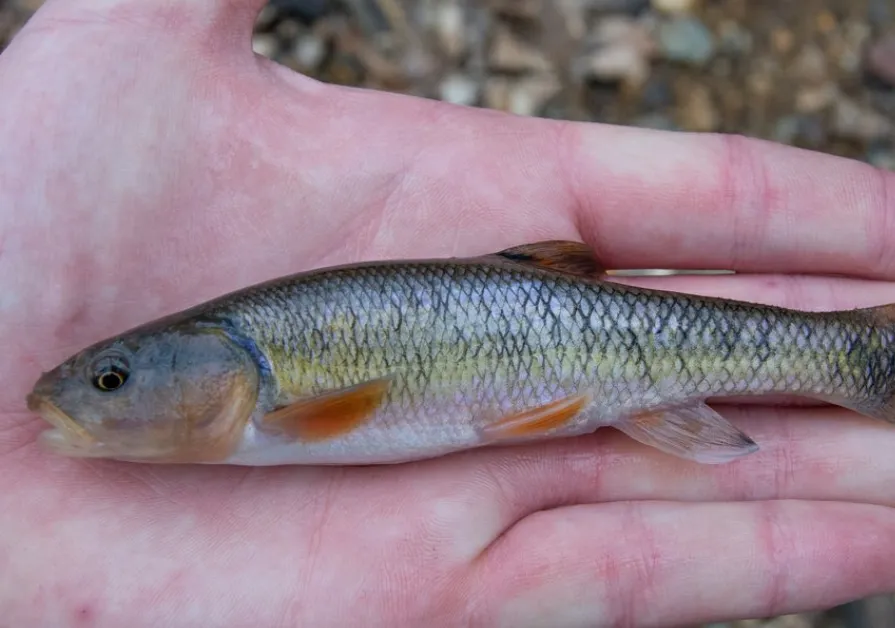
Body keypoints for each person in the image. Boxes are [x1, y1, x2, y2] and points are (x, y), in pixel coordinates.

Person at [1, 0, 894, 625]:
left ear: (202, 363)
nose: (91, 395)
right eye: (108, 380)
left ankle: (859, 357)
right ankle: (851, 356)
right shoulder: (249, 375)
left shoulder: (272, 390)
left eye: (111, 379)